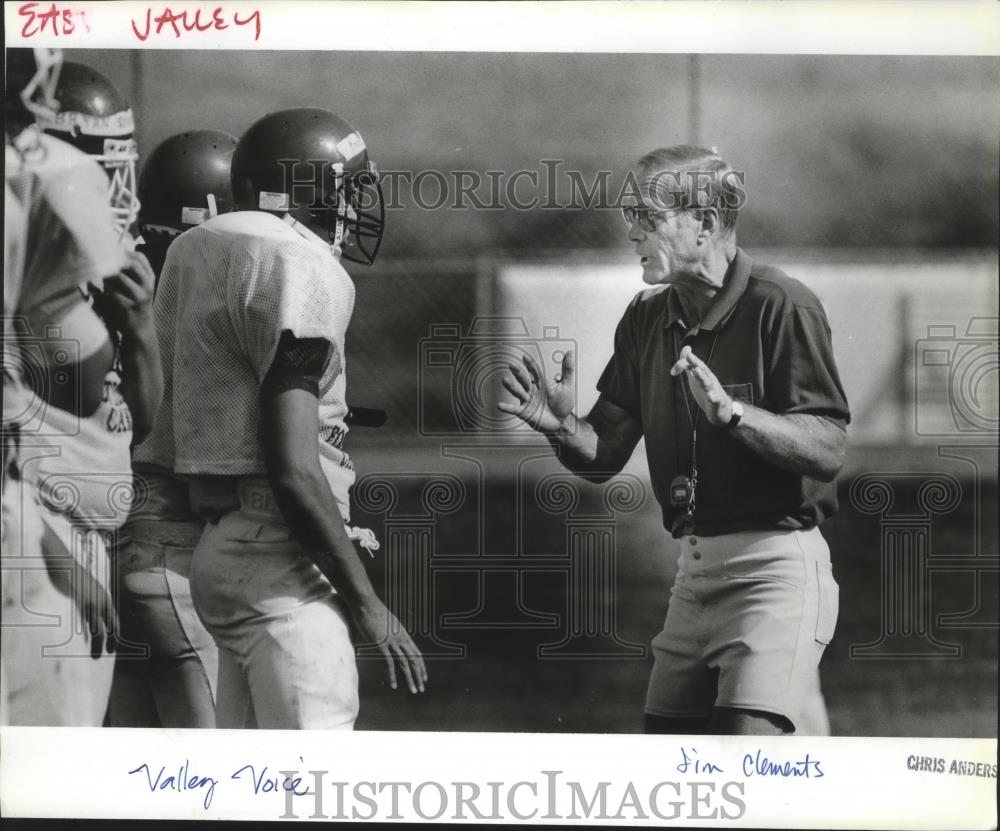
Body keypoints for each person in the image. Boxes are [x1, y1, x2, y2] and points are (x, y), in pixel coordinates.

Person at [500, 145, 849, 736]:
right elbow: (603, 454)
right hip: (691, 578)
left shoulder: (782, 304)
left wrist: (736, 414)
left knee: (748, 769)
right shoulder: (645, 317)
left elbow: (827, 447)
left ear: (705, 223)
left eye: (646, 215)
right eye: (628, 214)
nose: (630, 230)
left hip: (775, 572)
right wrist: (562, 429)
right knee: (673, 771)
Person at [134, 107, 426, 729]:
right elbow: (294, 468)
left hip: (216, 548)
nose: (354, 207)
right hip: (276, 562)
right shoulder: (298, 263)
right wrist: (369, 605)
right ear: (306, 192)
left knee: (240, 790)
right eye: (347, 189)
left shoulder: (198, 247)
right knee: (310, 790)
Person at [2, 49, 135, 726]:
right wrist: (53, 554)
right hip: (39, 528)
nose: (114, 184)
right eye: (102, 162)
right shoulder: (33, 251)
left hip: (67, 529)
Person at [110, 129, 238, 727]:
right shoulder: (195, 304)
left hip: (111, 564)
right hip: (177, 564)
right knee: (216, 789)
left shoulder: (111, 281)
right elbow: (189, 458)